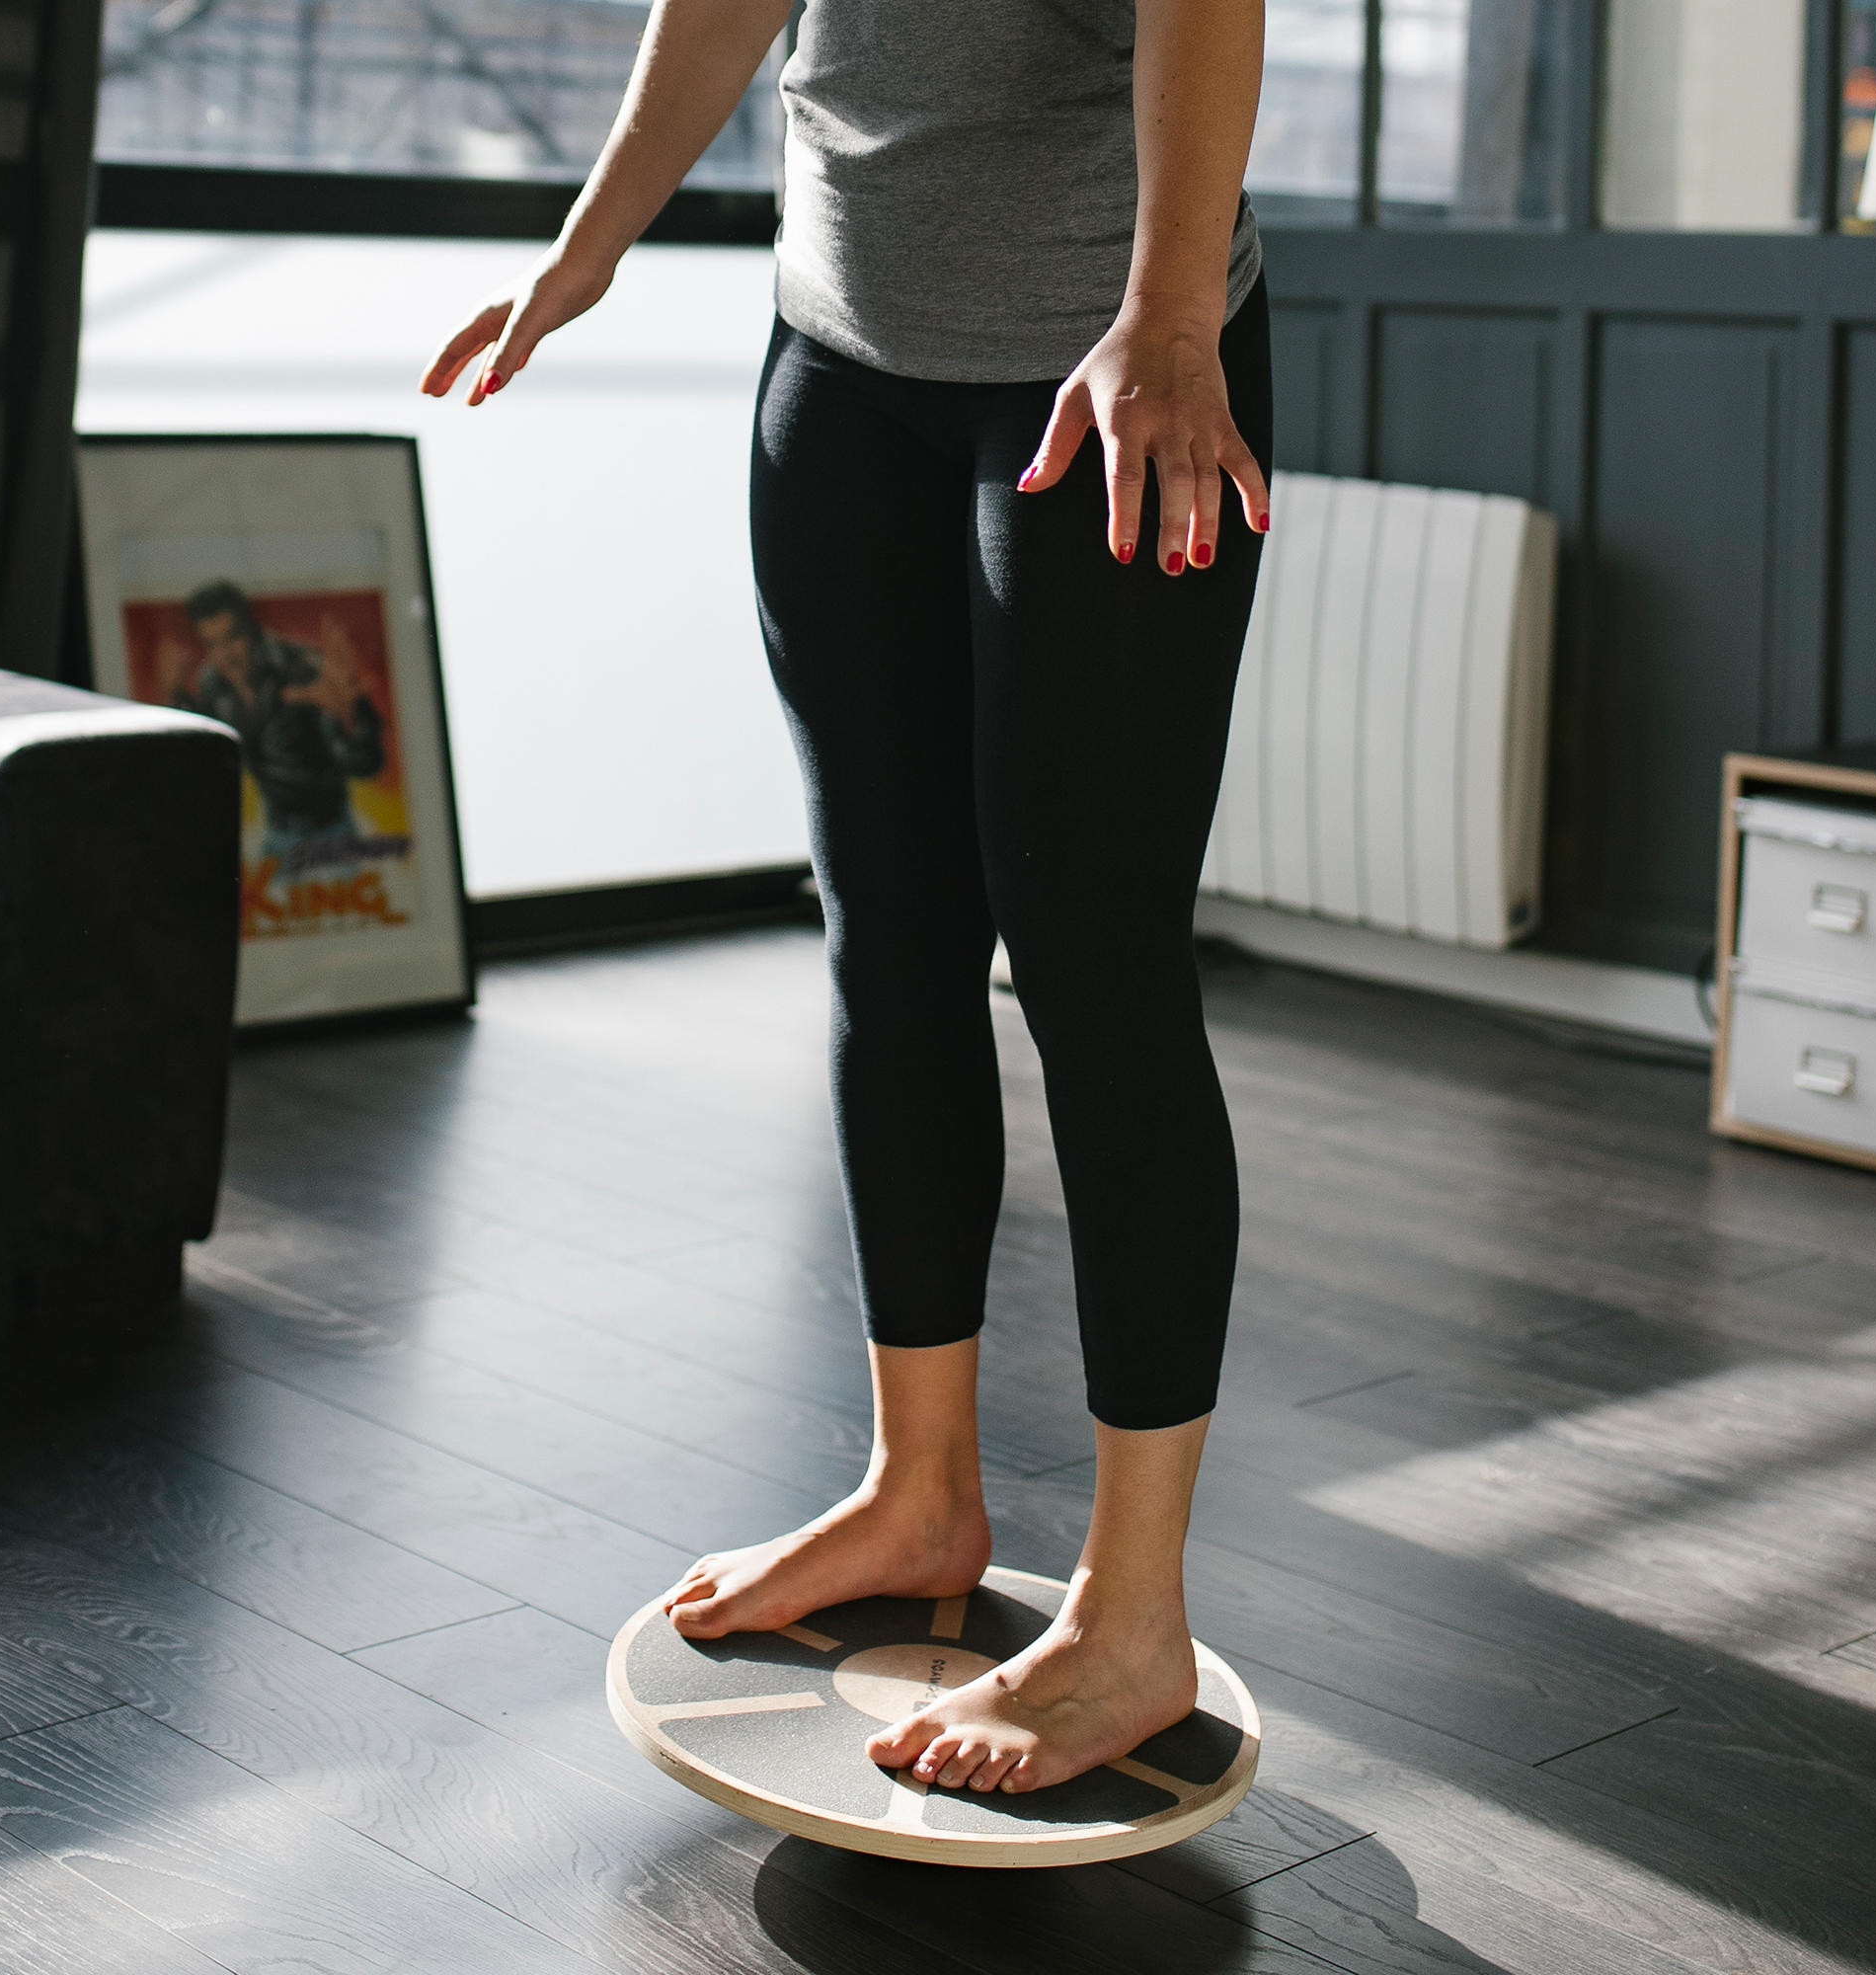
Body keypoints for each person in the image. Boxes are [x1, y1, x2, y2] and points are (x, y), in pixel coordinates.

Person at [423, 0, 1271, 1798]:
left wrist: (1175, 319)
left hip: (1103, 369)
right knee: (888, 948)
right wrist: (587, 251)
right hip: (841, 353)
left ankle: (1134, 1620)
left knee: (1097, 969)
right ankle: (918, 1491)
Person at [176, 582, 386, 866]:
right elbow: (206, 756)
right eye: (213, 644)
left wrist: (351, 716)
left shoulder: (302, 668)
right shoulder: (213, 682)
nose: (227, 655)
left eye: (233, 637)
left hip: (330, 837)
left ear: (252, 628)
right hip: (277, 833)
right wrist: (175, 694)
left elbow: (366, 764)